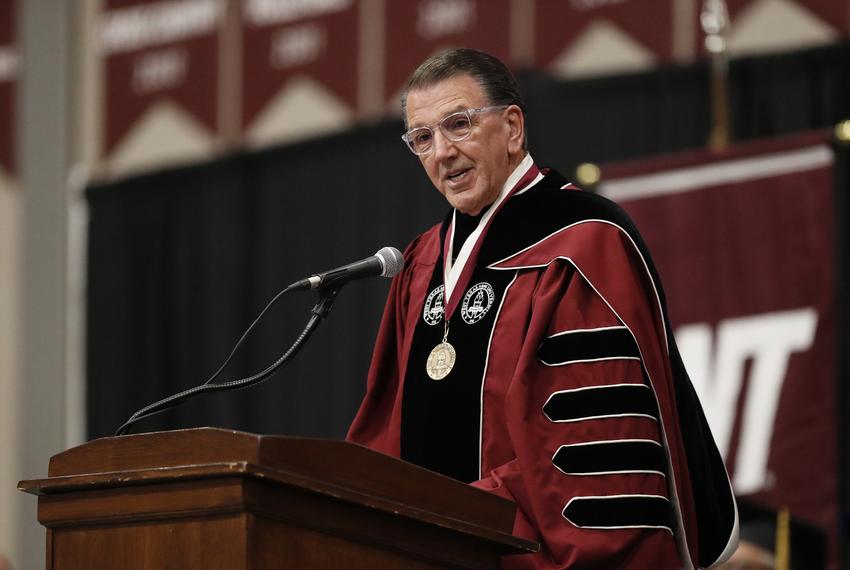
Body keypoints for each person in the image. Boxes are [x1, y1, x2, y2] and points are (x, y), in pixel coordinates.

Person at [347, 48, 738, 569]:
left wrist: (458, 522)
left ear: (512, 128)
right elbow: (384, 441)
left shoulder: (583, 245)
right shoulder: (422, 263)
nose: (441, 152)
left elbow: (593, 458)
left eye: (458, 124)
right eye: (422, 138)